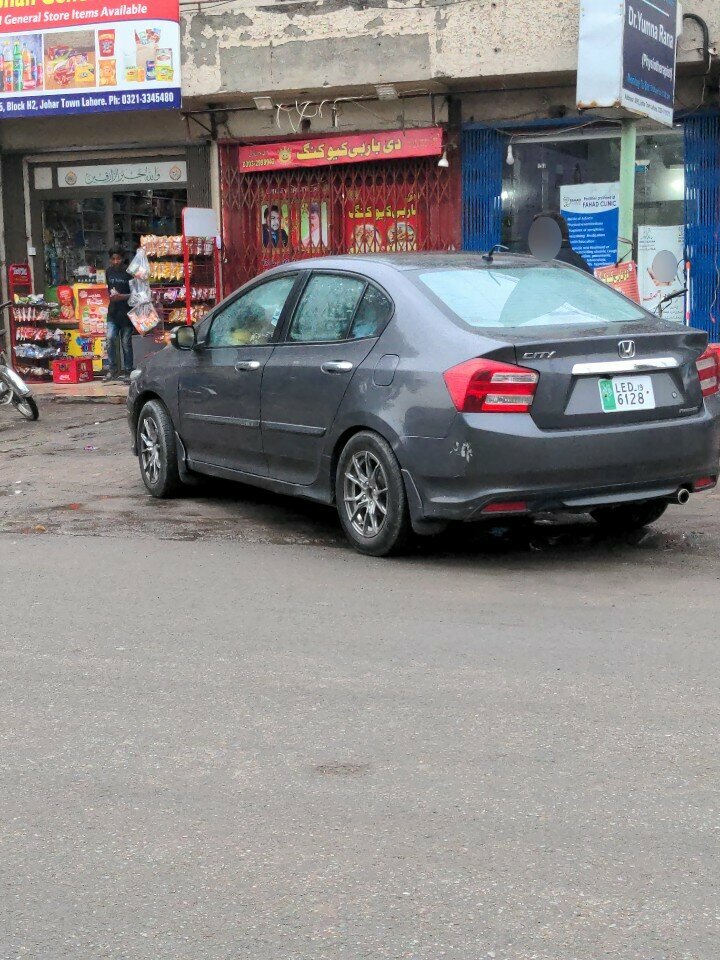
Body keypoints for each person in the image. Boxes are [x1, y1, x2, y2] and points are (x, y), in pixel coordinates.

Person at [105, 248, 134, 382]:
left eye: (118, 259)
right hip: (113, 312)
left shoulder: (130, 273)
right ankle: (112, 370)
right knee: (110, 339)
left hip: (127, 313)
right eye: (113, 259)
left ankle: (128, 371)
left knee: (126, 343)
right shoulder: (108, 272)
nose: (116, 261)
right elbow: (108, 289)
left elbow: (135, 294)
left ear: (123, 259)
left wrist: (122, 296)